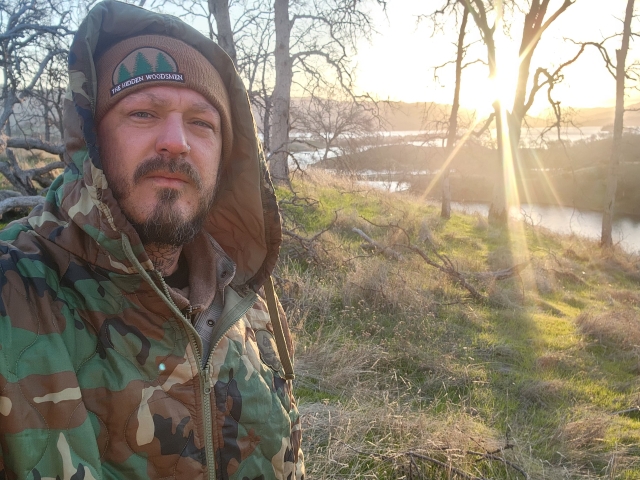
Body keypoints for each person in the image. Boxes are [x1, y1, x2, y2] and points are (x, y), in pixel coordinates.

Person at [0, 1, 304, 478]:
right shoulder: (14, 288)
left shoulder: (246, 295)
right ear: (94, 141)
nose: (176, 141)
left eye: (202, 123)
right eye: (143, 112)